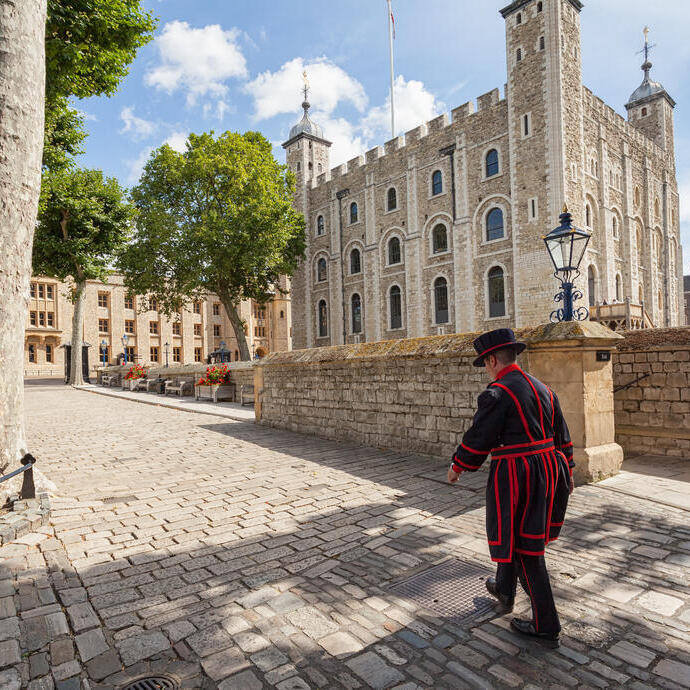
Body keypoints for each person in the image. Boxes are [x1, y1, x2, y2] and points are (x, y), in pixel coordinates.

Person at [447, 328, 574, 648]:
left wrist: (458, 465)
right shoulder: (543, 387)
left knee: (527, 549)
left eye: (485, 363)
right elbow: (563, 434)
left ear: (491, 360)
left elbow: (480, 436)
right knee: (518, 535)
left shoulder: (497, 393)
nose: (486, 368)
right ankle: (504, 587)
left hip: (520, 477)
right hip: (548, 470)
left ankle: (547, 623)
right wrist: (567, 471)